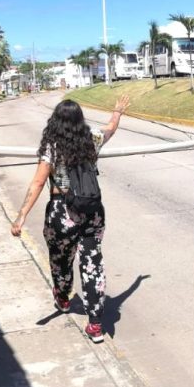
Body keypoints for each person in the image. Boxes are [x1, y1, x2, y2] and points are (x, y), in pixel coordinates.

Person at [11, 95, 130, 343]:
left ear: (55, 121)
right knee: (92, 264)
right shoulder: (92, 139)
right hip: (92, 210)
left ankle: (63, 297)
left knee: (61, 262)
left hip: (61, 212)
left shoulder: (51, 147)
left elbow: (38, 182)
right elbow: (110, 129)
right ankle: (96, 324)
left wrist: (21, 216)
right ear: (79, 120)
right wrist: (117, 111)